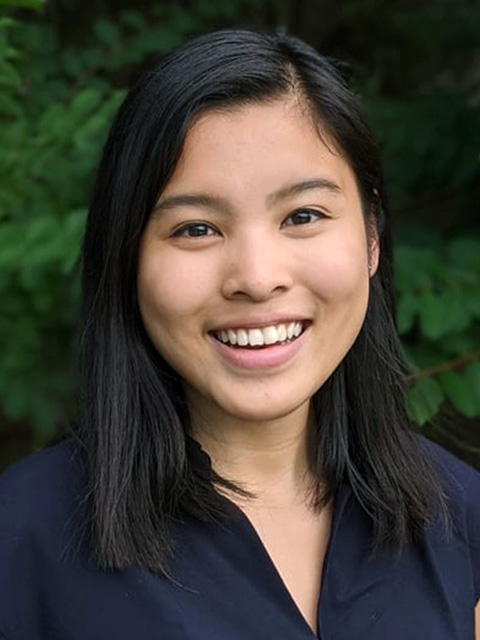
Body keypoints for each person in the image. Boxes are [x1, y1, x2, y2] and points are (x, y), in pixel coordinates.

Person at [0, 28, 479, 640]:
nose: (256, 278)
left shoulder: (459, 516)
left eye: (303, 216)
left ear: (371, 237)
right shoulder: (23, 541)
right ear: (126, 258)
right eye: (196, 229)